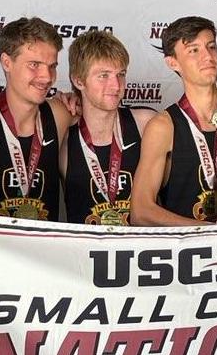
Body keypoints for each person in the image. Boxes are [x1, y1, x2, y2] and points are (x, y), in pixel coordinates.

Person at [130, 15, 217, 226]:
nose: (208, 56)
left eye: (211, 47)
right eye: (194, 50)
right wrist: (207, 231)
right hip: (189, 254)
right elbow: (141, 212)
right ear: (173, 62)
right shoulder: (164, 126)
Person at [0, 17, 73, 220]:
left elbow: (102, 113)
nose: (47, 77)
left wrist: (80, 97)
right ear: (6, 62)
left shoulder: (59, 114)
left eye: (52, 66)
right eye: (34, 65)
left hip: (42, 250)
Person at [61, 30, 155, 225]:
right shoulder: (62, 134)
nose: (116, 85)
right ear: (78, 80)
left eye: (121, 74)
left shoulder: (144, 123)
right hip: (83, 254)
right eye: (103, 75)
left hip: (140, 252)